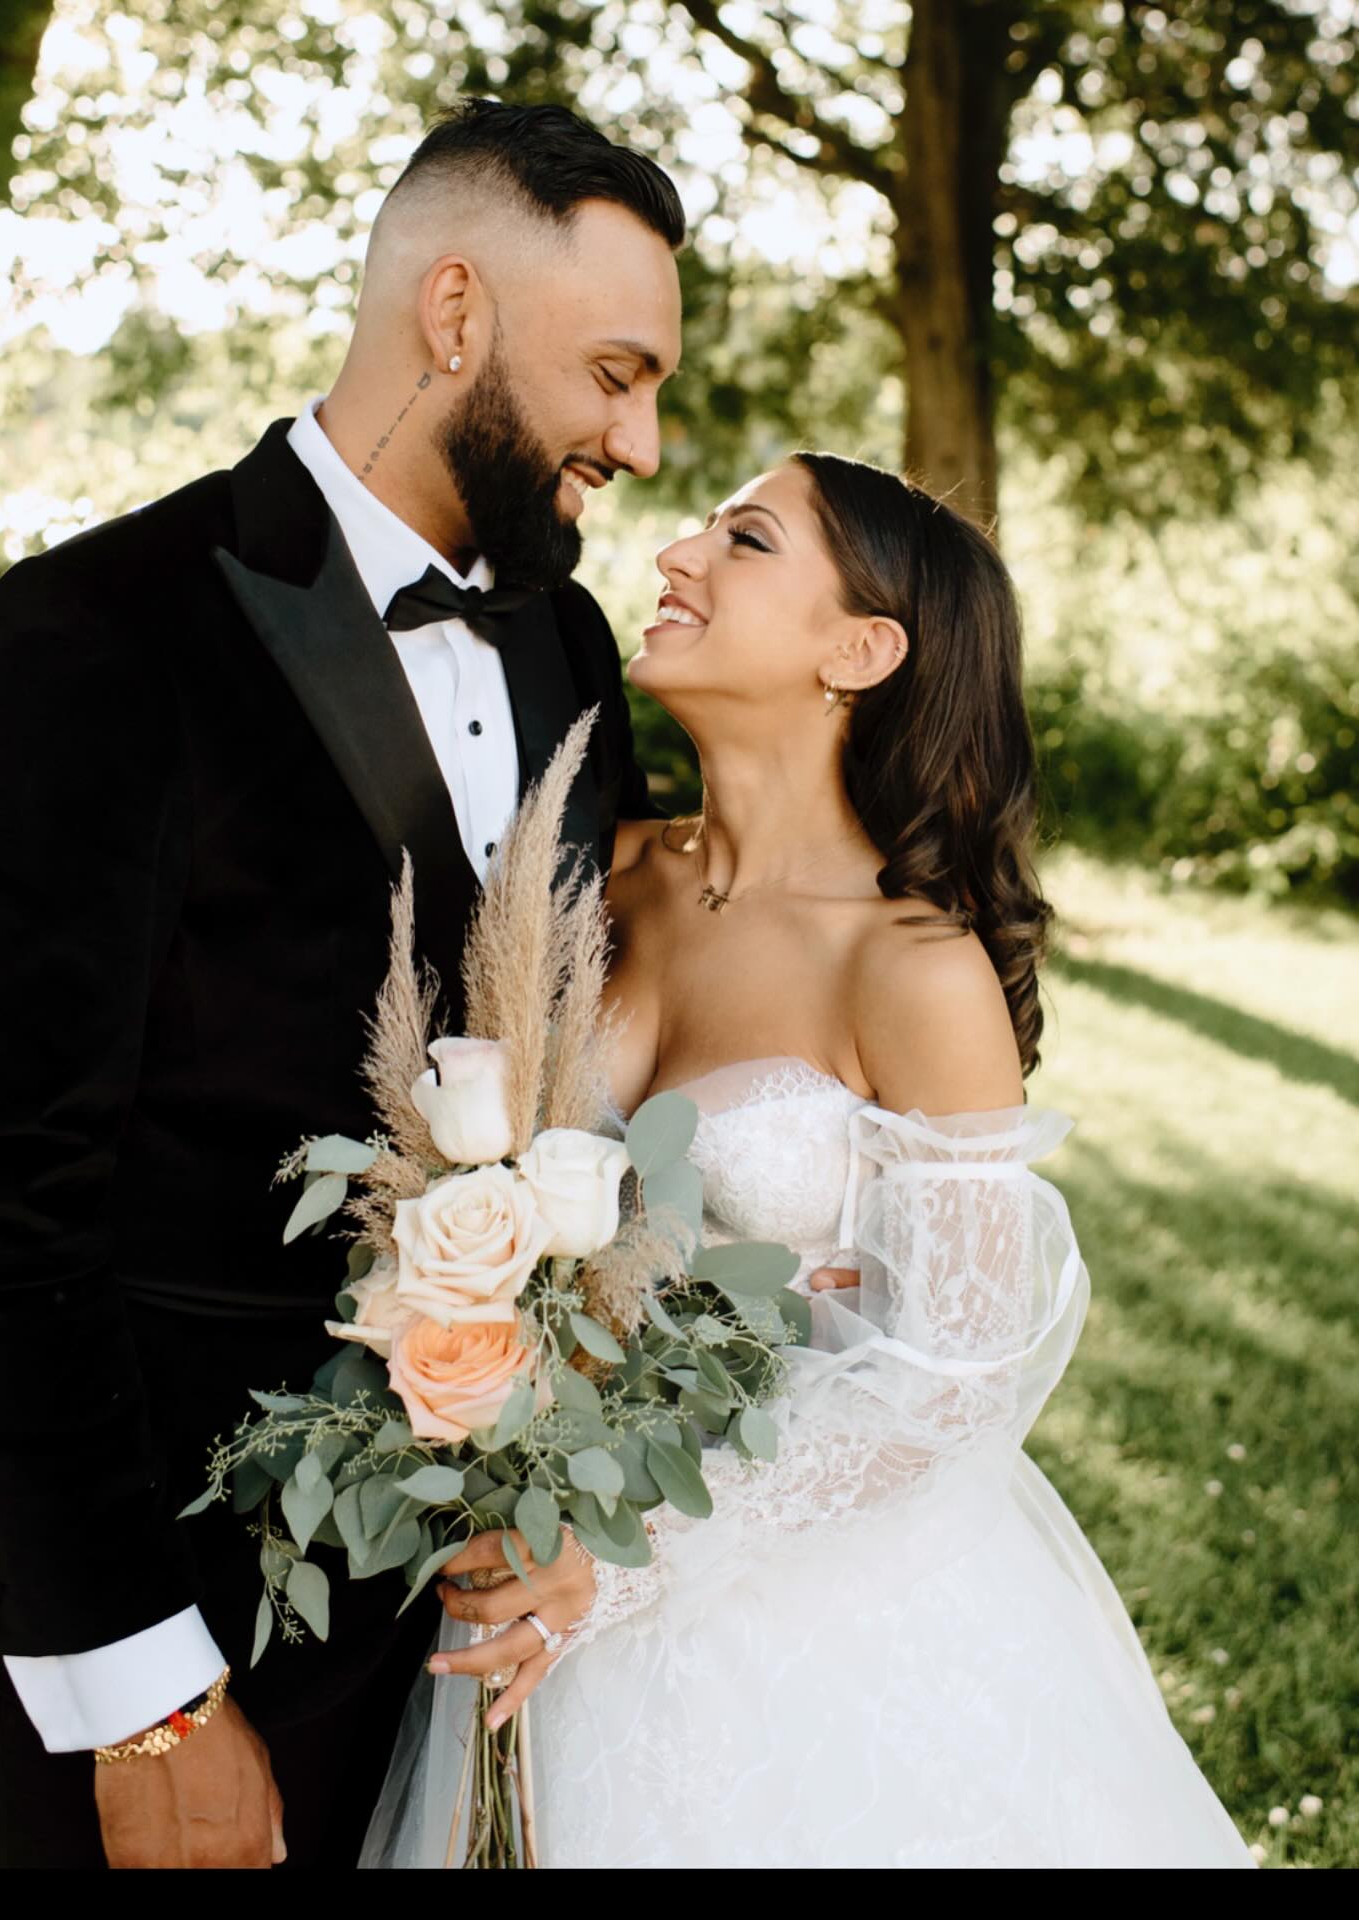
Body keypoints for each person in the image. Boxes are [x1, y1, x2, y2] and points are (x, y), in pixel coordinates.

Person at [0, 99, 682, 1869]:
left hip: (477, 1610)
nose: (640, 442)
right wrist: (146, 1695)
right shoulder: (87, 638)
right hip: (176, 1607)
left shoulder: (567, 641)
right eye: (617, 374)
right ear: (459, 313)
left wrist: (563, 1479)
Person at [378, 454, 1258, 1869]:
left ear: (860, 650)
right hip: (530, 1548)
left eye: (746, 539)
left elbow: (956, 1375)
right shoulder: (597, 873)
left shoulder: (910, 966)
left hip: (790, 1612)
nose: (676, 554)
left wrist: (628, 1555)